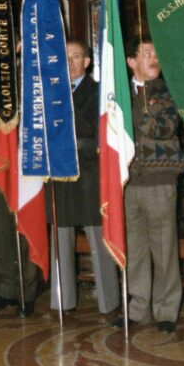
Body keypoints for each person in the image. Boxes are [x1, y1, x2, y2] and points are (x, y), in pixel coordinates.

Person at [113, 37, 184, 333]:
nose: (153, 59)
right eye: (146, 54)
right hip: (128, 181)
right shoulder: (117, 93)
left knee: (164, 247)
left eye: (156, 53)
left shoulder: (169, 90)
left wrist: (130, 112)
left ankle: (167, 309)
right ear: (131, 62)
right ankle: (138, 308)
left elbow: (164, 127)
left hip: (160, 180)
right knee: (136, 249)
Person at [47, 40, 119, 315]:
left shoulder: (98, 91)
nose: (70, 62)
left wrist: (64, 115)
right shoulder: (52, 91)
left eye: (75, 56)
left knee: (97, 236)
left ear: (87, 62)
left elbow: (95, 128)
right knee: (60, 237)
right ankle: (62, 301)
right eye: (65, 57)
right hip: (60, 170)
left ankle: (109, 302)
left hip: (88, 169)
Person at [0, 151, 38, 317]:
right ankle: (6, 290)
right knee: (2, 232)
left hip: (26, 162)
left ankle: (27, 294)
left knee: (26, 230)